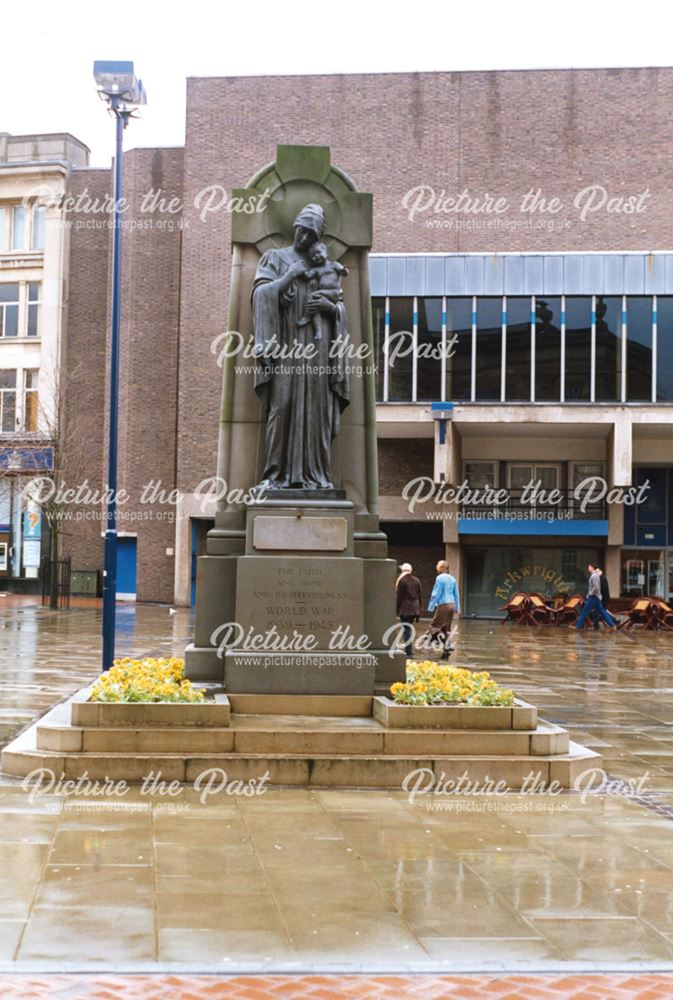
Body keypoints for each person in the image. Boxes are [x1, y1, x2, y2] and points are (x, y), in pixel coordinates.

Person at [251, 204, 350, 491]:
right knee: (281, 406)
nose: (304, 238)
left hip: (318, 351)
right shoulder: (275, 258)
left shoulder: (322, 265)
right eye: (302, 231)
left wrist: (330, 308)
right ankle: (274, 475)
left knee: (317, 411)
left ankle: (316, 476)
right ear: (295, 226)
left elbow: (340, 306)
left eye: (311, 234)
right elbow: (260, 295)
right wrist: (289, 276)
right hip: (285, 350)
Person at [297, 242, 348, 341]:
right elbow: (308, 275)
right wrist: (300, 270)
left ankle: (306, 315)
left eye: (318, 253)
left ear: (326, 253)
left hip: (334, 292)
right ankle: (318, 330)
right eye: (313, 256)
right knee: (316, 307)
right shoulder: (317, 269)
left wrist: (344, 271)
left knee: (313, 295)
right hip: (324, 293)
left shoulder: (334, 265)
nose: (316, 256)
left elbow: (343, 271)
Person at [426, 560, 460, 658]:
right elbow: (456, 594)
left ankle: (444, 644)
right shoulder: (452, 578)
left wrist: (431, 606)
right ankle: (446, 648)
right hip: (451, 604)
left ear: (441, 568)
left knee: (434, 625)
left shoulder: (439, 578)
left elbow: (436, 593)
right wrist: (458, 607)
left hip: (443, 604)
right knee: (446, 627)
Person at [574, 563, 616, 629]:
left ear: (592, 567)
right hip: (595, 597)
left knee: (585, 611)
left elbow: (596, 587)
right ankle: (612, 625)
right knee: (602, 612)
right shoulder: (594, 575)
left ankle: (578, 626)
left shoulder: (594, 576)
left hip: (593, 597)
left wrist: (590, 593)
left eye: (589, 566)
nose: (588, 568)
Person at [395, 562, 422, 658]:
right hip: (415, 609)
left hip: (406, 609)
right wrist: (419, 610)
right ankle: (409, 650)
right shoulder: (416, 580)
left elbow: (399, 597)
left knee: (406, 629)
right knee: (408, 628)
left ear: (402, 570)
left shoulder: (401, 581)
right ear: (411, 570)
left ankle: (409, 652)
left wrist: (396, 609)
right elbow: (419, 596)